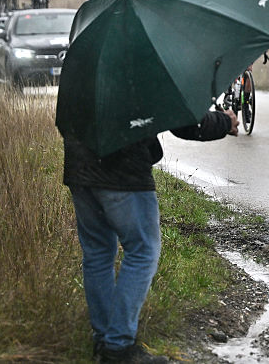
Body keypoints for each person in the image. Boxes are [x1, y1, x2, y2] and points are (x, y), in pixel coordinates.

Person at [63, 105, 238, 363]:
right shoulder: (140, 65)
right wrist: (225, 122)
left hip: (79, 163)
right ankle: (118, 347)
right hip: (123, 170)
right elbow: (184, 121)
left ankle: (103, 342)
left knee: (97, 254)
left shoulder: (84, 66)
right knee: (143, 251)